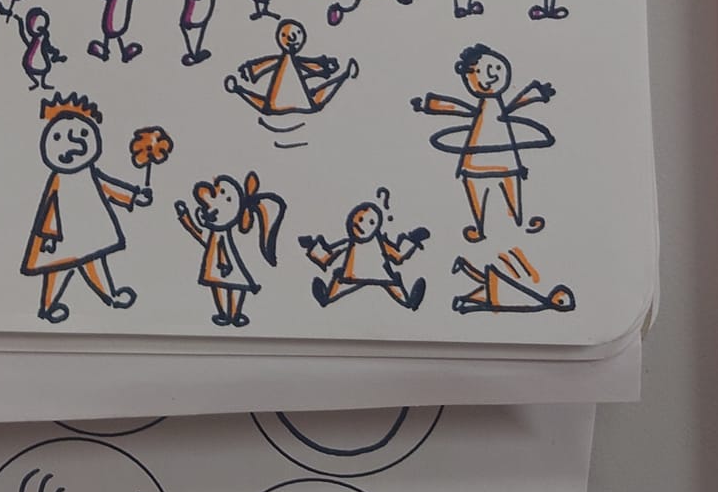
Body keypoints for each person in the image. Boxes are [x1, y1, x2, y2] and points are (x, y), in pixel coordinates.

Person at [21, 95, 150, 323]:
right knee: (57, 268)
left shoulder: (89, 174)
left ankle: (109, 295)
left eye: (82, 134)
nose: (73, 144)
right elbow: (49, 209)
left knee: (93, 259)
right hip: (61, 237)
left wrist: (133, 196)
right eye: (58, 137)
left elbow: (108, 188)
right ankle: (48, 306)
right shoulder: (59, 180)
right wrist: (49, 235)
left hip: (88, 230)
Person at [412, 44, 556, 241]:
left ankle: (517, 220)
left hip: (505, 162)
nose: (492, 75)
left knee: (510, 187)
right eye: (480, 72)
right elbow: (458, 108)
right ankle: (479, 227)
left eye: (496, 68)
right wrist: (430, 105)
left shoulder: (498, 107)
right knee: (477, 190)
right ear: (469, 78)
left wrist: (536, 94)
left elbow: (514, 104)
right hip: (476, 163)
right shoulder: (482, 109)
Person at [175, 171, 285, 326]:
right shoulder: (214, 234)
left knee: (236, 286)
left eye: (227, 198)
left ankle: (235, 313)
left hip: (230, 264)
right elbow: (199, 234)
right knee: (217, 286)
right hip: (215, 265)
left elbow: (202, 235)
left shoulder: (230, 234)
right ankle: (223, 313)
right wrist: (185, 216)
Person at [300, 197, 428, 310]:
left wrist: (413, 242)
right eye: (360, 219)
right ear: (353, 220)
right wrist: (312, 249)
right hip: (351, 277)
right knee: (337, 284)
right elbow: (329, 255)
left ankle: (411, 301)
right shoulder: (350, 244)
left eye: (371, 222)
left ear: (376, 227)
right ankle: (324, 297)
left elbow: (397, 256)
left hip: (381, 275)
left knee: (396, 288)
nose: (363, 225)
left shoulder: (380, 244)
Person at [224, 18, 357, 117]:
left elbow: (306, 65)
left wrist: (323, 66)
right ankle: (238, 89)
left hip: (294, 104)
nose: (291, 38)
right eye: (284, 35)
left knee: (319, 93)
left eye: (297, 33)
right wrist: (251, 70)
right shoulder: (282, 60)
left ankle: (344, 75)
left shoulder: (291, 61)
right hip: (277, 104)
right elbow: (268, 63)